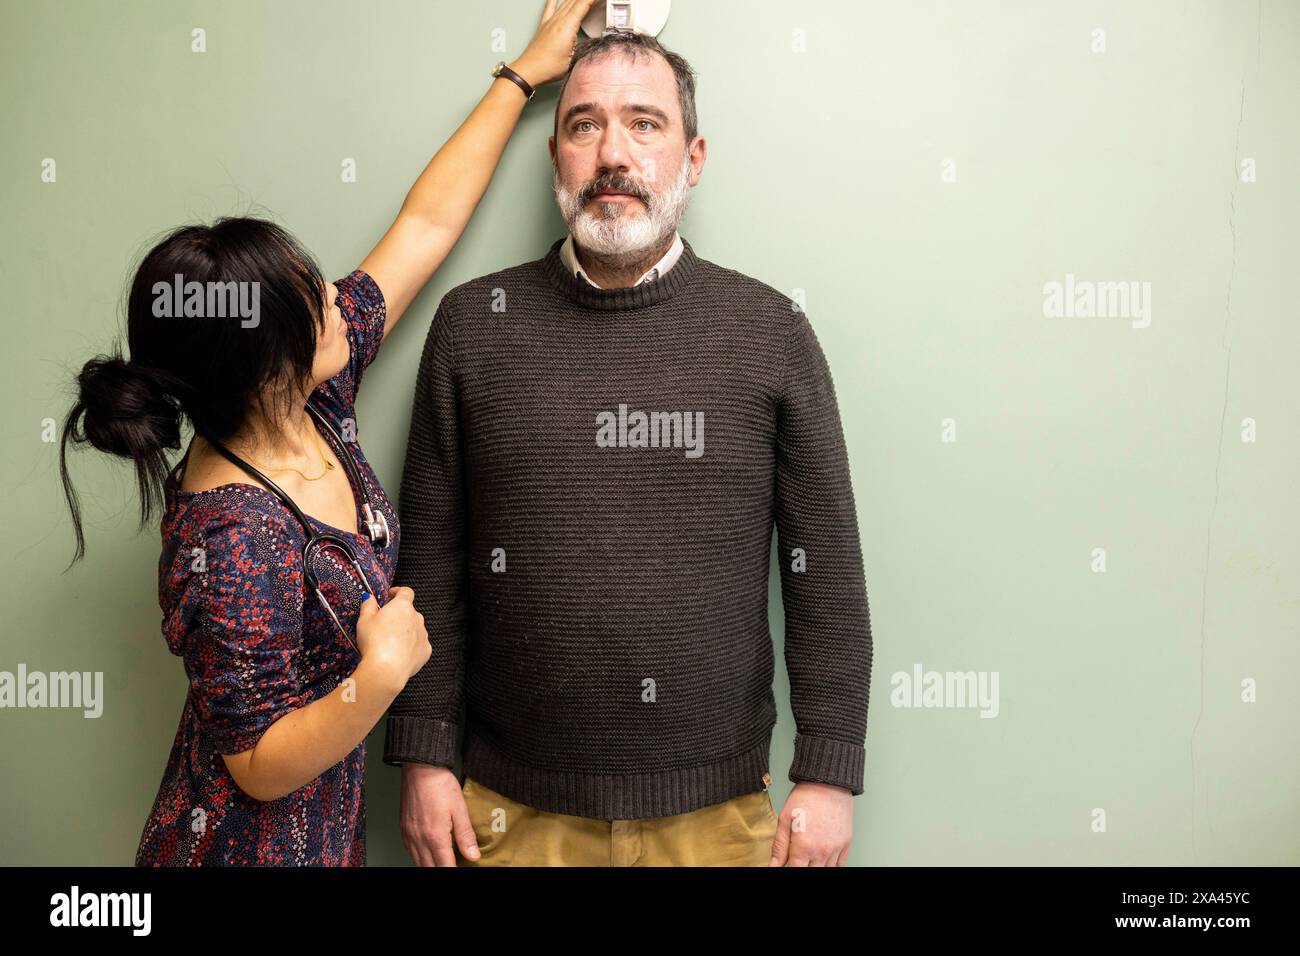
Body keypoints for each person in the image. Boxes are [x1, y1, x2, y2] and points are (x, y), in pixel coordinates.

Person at [57, 0, 601, 866]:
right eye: (315, 302)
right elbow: (259, 765)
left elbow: (424, 226)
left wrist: (524, 73)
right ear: (264, 365)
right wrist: (380, 676)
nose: (339, 299)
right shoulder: (229, 534)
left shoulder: (316, 391)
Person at [386, 31, 874, 867]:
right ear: (555, 155)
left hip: (720, 819)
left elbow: (823, 571)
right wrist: (424, 754)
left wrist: (829, 773)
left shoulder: (769, 332)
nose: (612, 152)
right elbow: (430, 563)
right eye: (584, 126)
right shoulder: (474, 327)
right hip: (507, 814)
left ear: (694, 154)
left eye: (644, 123)